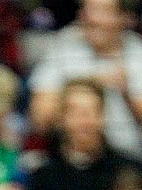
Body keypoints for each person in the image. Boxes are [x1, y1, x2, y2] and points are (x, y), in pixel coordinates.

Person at [29, 0, 142, 161]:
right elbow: (40, 120)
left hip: (129, 160)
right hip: (71, 160)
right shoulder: (63, 45)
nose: (92, 18)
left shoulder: (138, 52)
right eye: (87, 10)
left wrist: (126, 92)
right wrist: (89, 86)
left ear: (124, 18)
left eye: (103, 11)